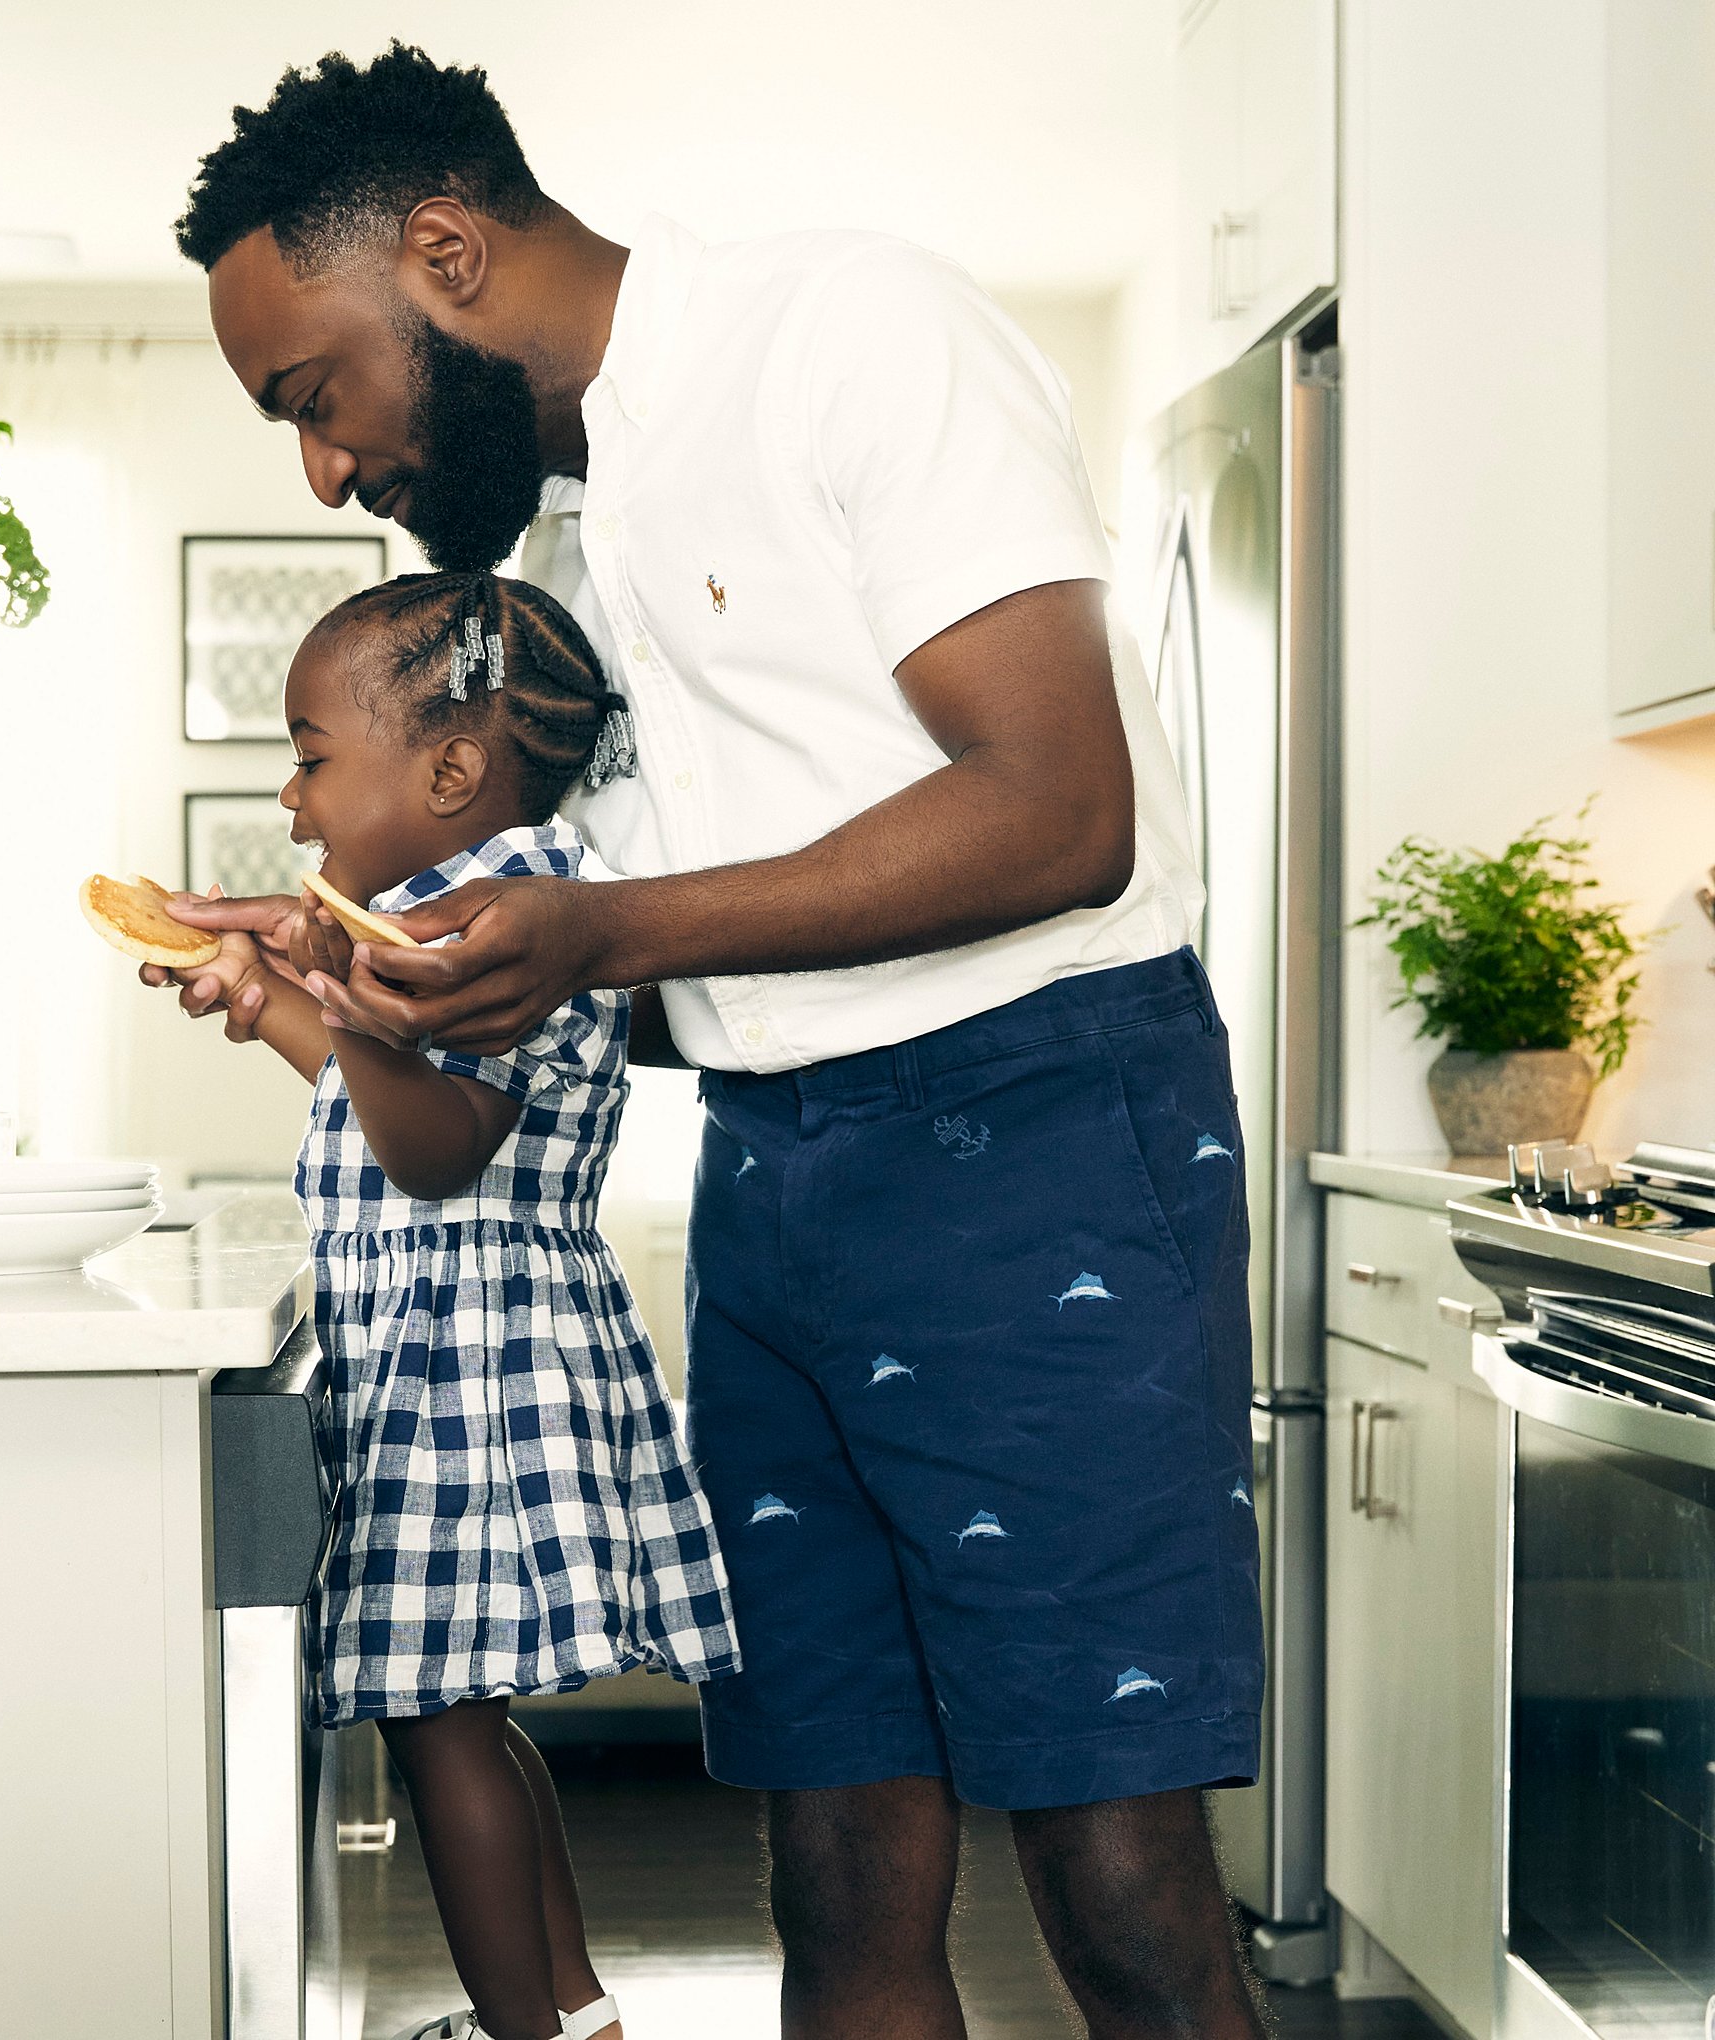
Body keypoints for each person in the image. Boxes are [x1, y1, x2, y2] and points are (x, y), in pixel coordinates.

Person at [164, 44, 1269, 2039]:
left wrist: (590, 930)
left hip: (1042, 1146)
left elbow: (1055, 805)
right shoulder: (584, 552)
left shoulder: (844, 329)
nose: (324, 469)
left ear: (444, 251)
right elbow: (706, 986)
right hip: (779, 1183)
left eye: (312, 395)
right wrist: (382, 978)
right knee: (836, 1869)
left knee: (1114, 1881)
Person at [167, 567, 741, 2040]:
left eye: (308, 755)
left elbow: (433, 1150)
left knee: (439, 1728)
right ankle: (572, 2015)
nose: (293, 804)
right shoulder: (468, 906)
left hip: (463, 1361)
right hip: (477, 1339)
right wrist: (276, 999)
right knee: (458, 1712)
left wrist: (346, 996)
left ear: (448, 769)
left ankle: (528, 2032)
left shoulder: (489, 922)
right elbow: (394, 1104)